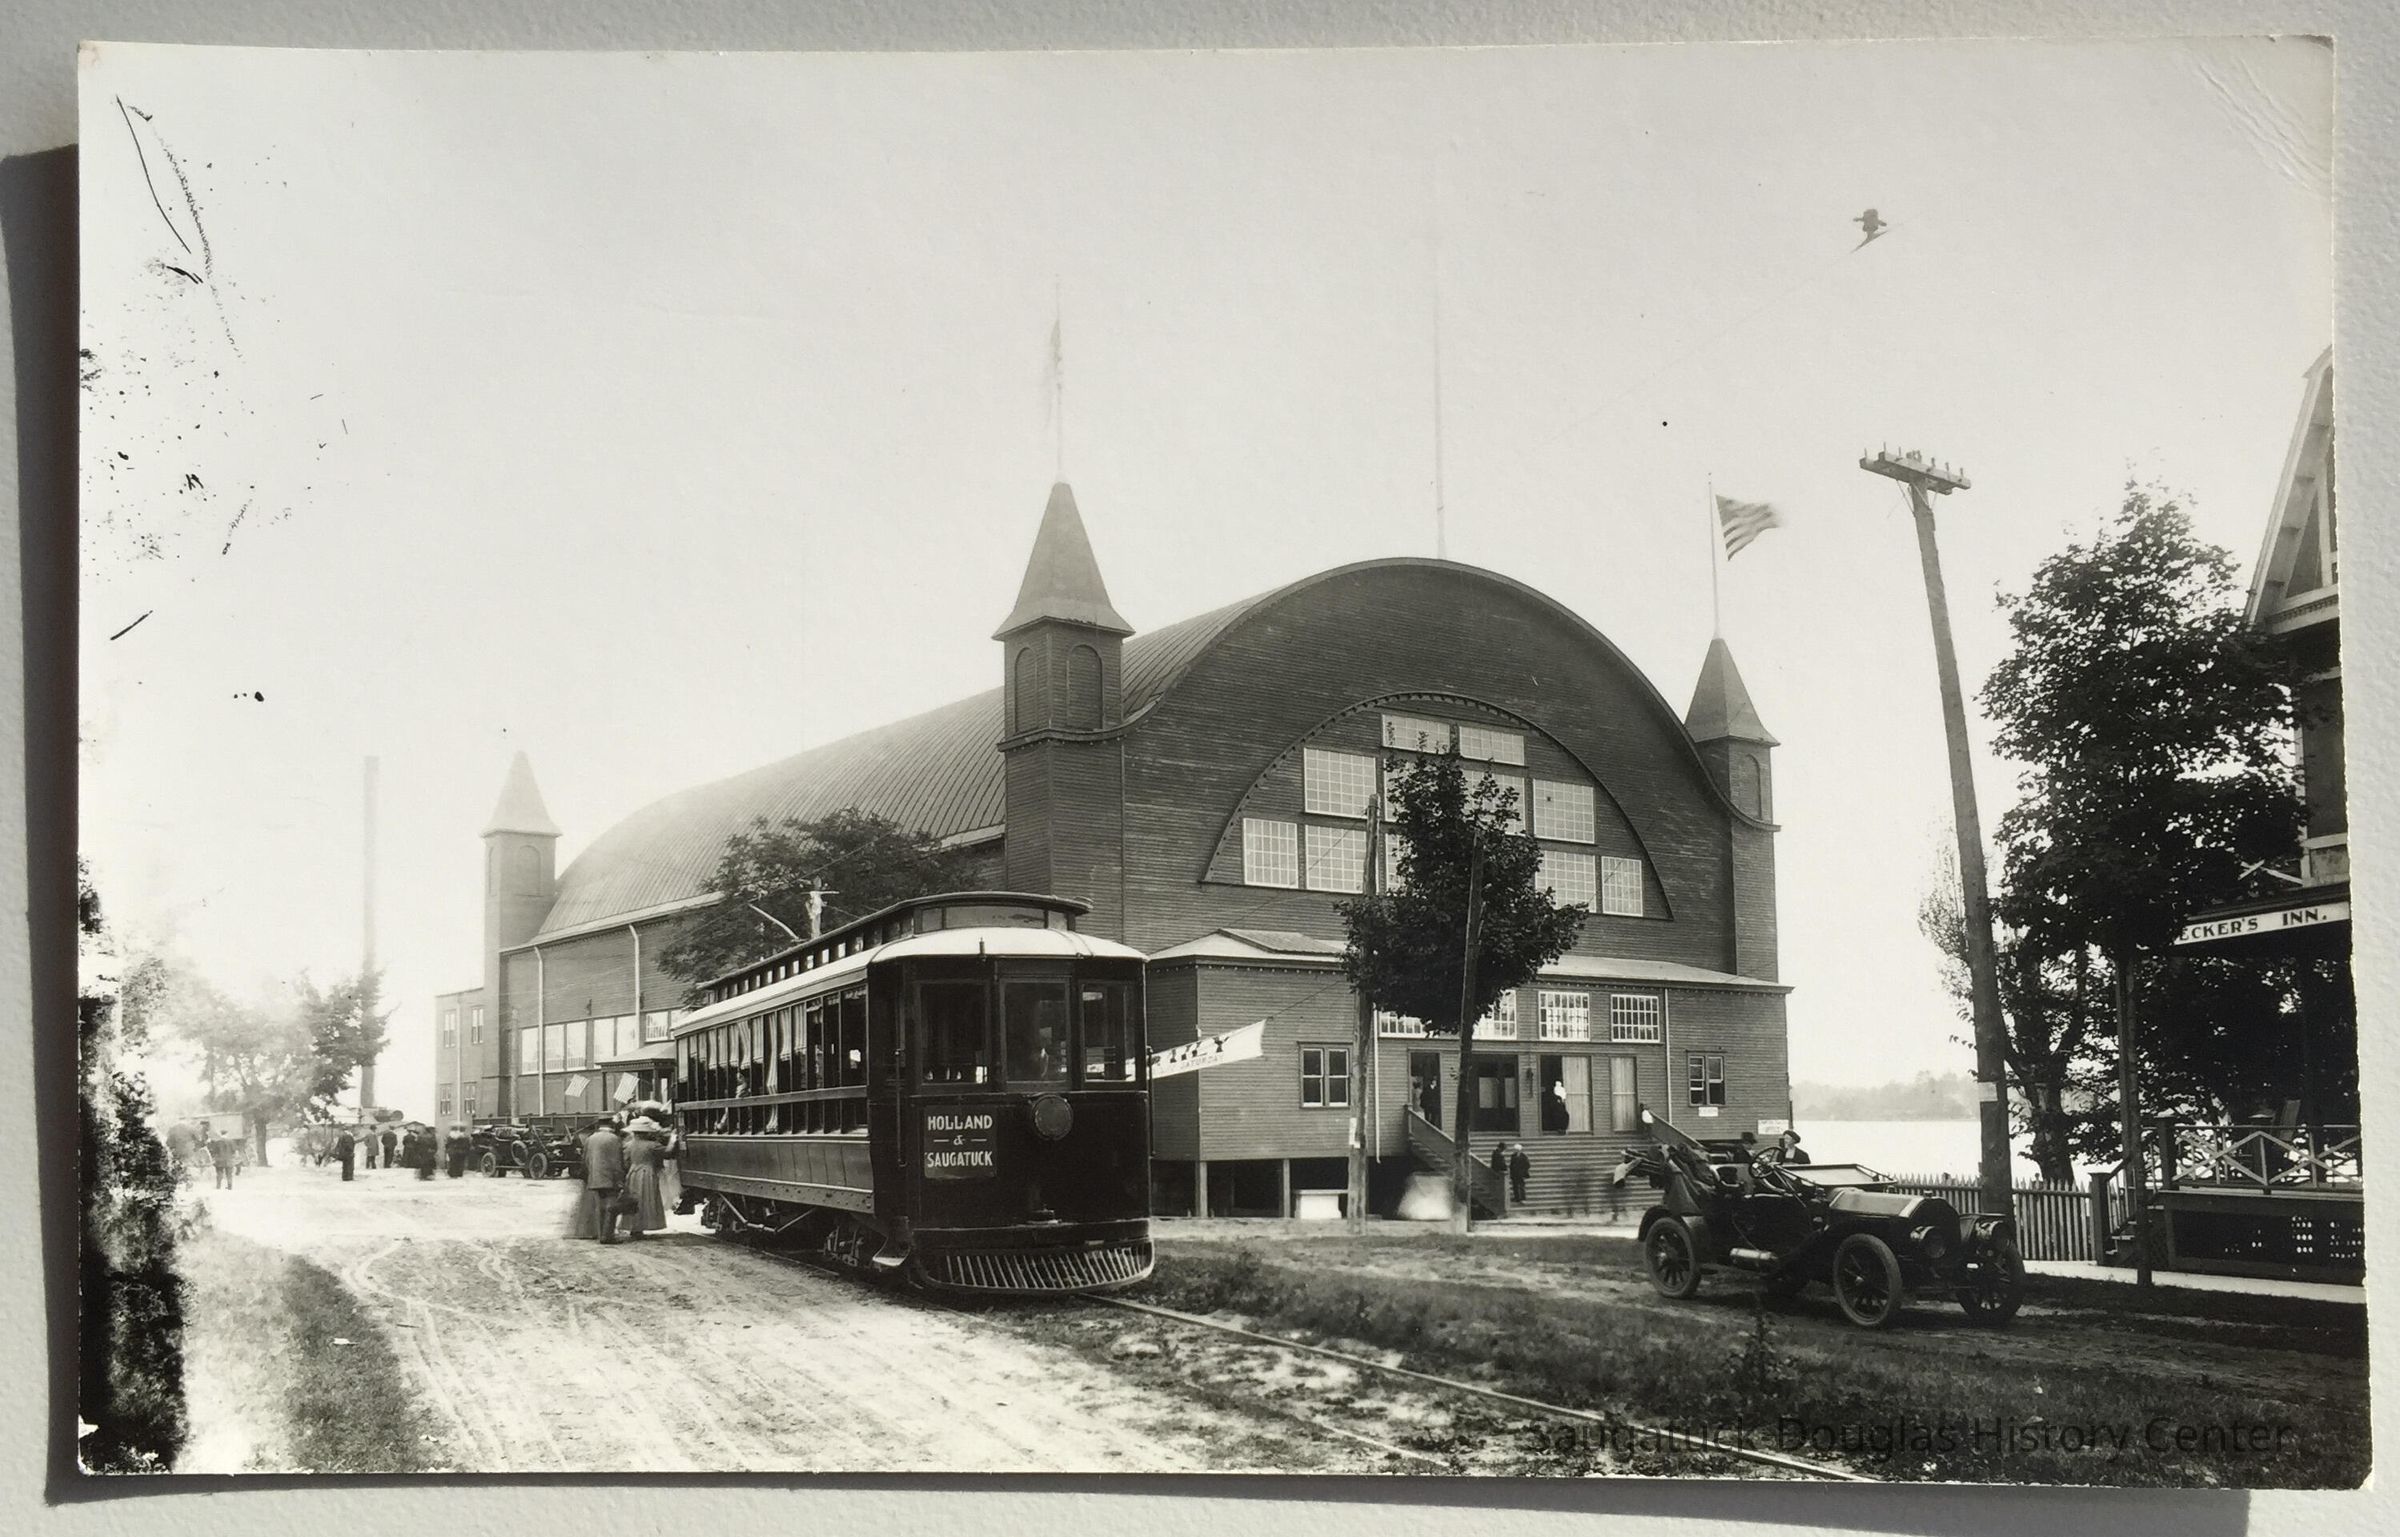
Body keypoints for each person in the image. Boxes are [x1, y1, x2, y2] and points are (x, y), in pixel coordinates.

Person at [581, 1118, 628, 1244]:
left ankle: (601, 1233)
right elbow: (618, 1162)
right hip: (610, 1178)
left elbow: (585, 1159)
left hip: (595, 1177)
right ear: (611, 1125)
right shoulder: (614, 1139)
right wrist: (620, 1179)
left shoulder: (590, 1139)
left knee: (600, 1207)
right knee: (611, 1208)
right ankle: (608, 1236)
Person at [621, 1117, 669, 1238]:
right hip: (647, 1172)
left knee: (633, 1200)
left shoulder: (628, 1145)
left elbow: (625, 1162)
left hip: (633, 1172)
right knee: (646, 1199)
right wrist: (673, 1140)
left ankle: (634, 1227)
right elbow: (668, 1152)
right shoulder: (652, 1145)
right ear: (646, 1132)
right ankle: (643, 1226)